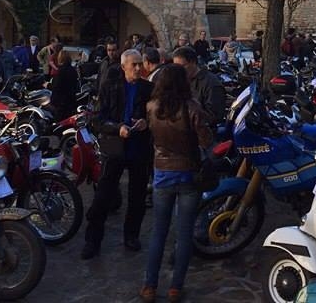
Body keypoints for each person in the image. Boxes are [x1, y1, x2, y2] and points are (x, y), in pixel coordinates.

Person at [140, 64, 214, 303]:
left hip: (162, 172)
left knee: (158, 233)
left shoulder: (152, 107)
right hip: (188, 174)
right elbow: (206, 140)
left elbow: (153, 135)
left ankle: (149, 285)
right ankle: (175, 288)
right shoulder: (192, 107)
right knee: (183, 235)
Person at [82, 49, 153, 259]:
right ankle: (92, 241)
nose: (139, 68)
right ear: (124, 67)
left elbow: (157, 116)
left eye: (141, 64)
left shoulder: (149, 88)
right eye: (135, 65)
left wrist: (146, 123)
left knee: (137, 197)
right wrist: (117, 128)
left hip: (139, 149)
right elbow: (97, 119)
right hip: (114, 149)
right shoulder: (110, 87)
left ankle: (132, 235)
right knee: (103, 196)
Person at [172, 46, 226, 125]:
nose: (178, 71)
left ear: (193, 62)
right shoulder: (182, 81)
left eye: (182, 66)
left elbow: (214, 116)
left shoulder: (211, 83)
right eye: (176, 67)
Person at [48, 49, 77, 121]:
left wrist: (48, 85)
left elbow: (56, 87)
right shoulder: (73, 70)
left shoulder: (60, 71)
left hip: (60, 102)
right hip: (70, 100)